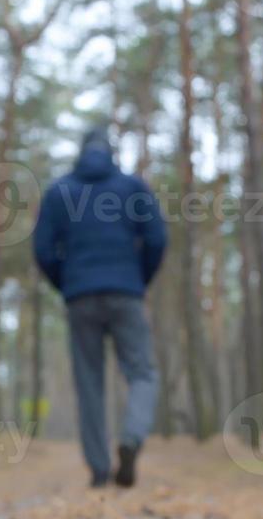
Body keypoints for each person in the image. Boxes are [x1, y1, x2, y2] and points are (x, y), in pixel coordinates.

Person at [32, 126, 167, 489]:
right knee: (142, 373)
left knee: (89, 382)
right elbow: (157, 238)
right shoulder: (132, 187)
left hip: (80, 297)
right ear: (111, 151)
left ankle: (99, 468)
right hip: (126, 293)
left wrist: (68, 283)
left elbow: (43, 250)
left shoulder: (59, 192)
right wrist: (138, 280)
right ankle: (132, 437)